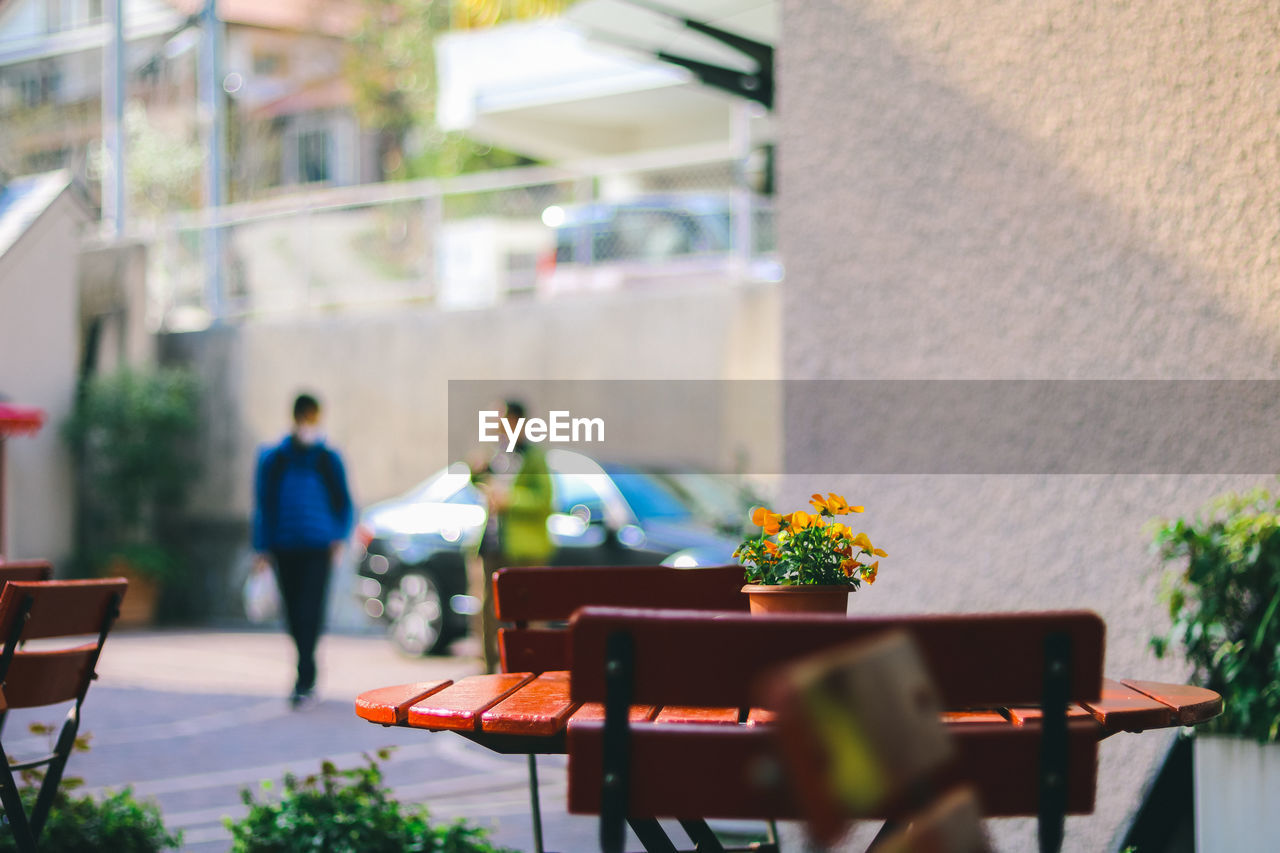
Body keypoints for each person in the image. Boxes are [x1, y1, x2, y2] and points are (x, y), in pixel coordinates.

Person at [252, 393, 354, 709]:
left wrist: (338, 536)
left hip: (317, 548)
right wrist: (261, 547)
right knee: (294, 613)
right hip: (284, 547)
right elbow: (263, 504)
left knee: (311, 610)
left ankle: (304, 675)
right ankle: (304, 666)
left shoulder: (327, 458)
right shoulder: (274, 458)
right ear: (298, 417)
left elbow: (345, 503)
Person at [471, 400, 554, 672]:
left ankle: (530, 667)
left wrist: (511, 499)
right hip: (493, 542)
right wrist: (476, 472)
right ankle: (489, 665)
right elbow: (482, 486)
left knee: (527, 611)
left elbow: (544, 500)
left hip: (524, 548)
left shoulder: (533, 456)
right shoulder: (497, 454)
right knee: (488, 608)